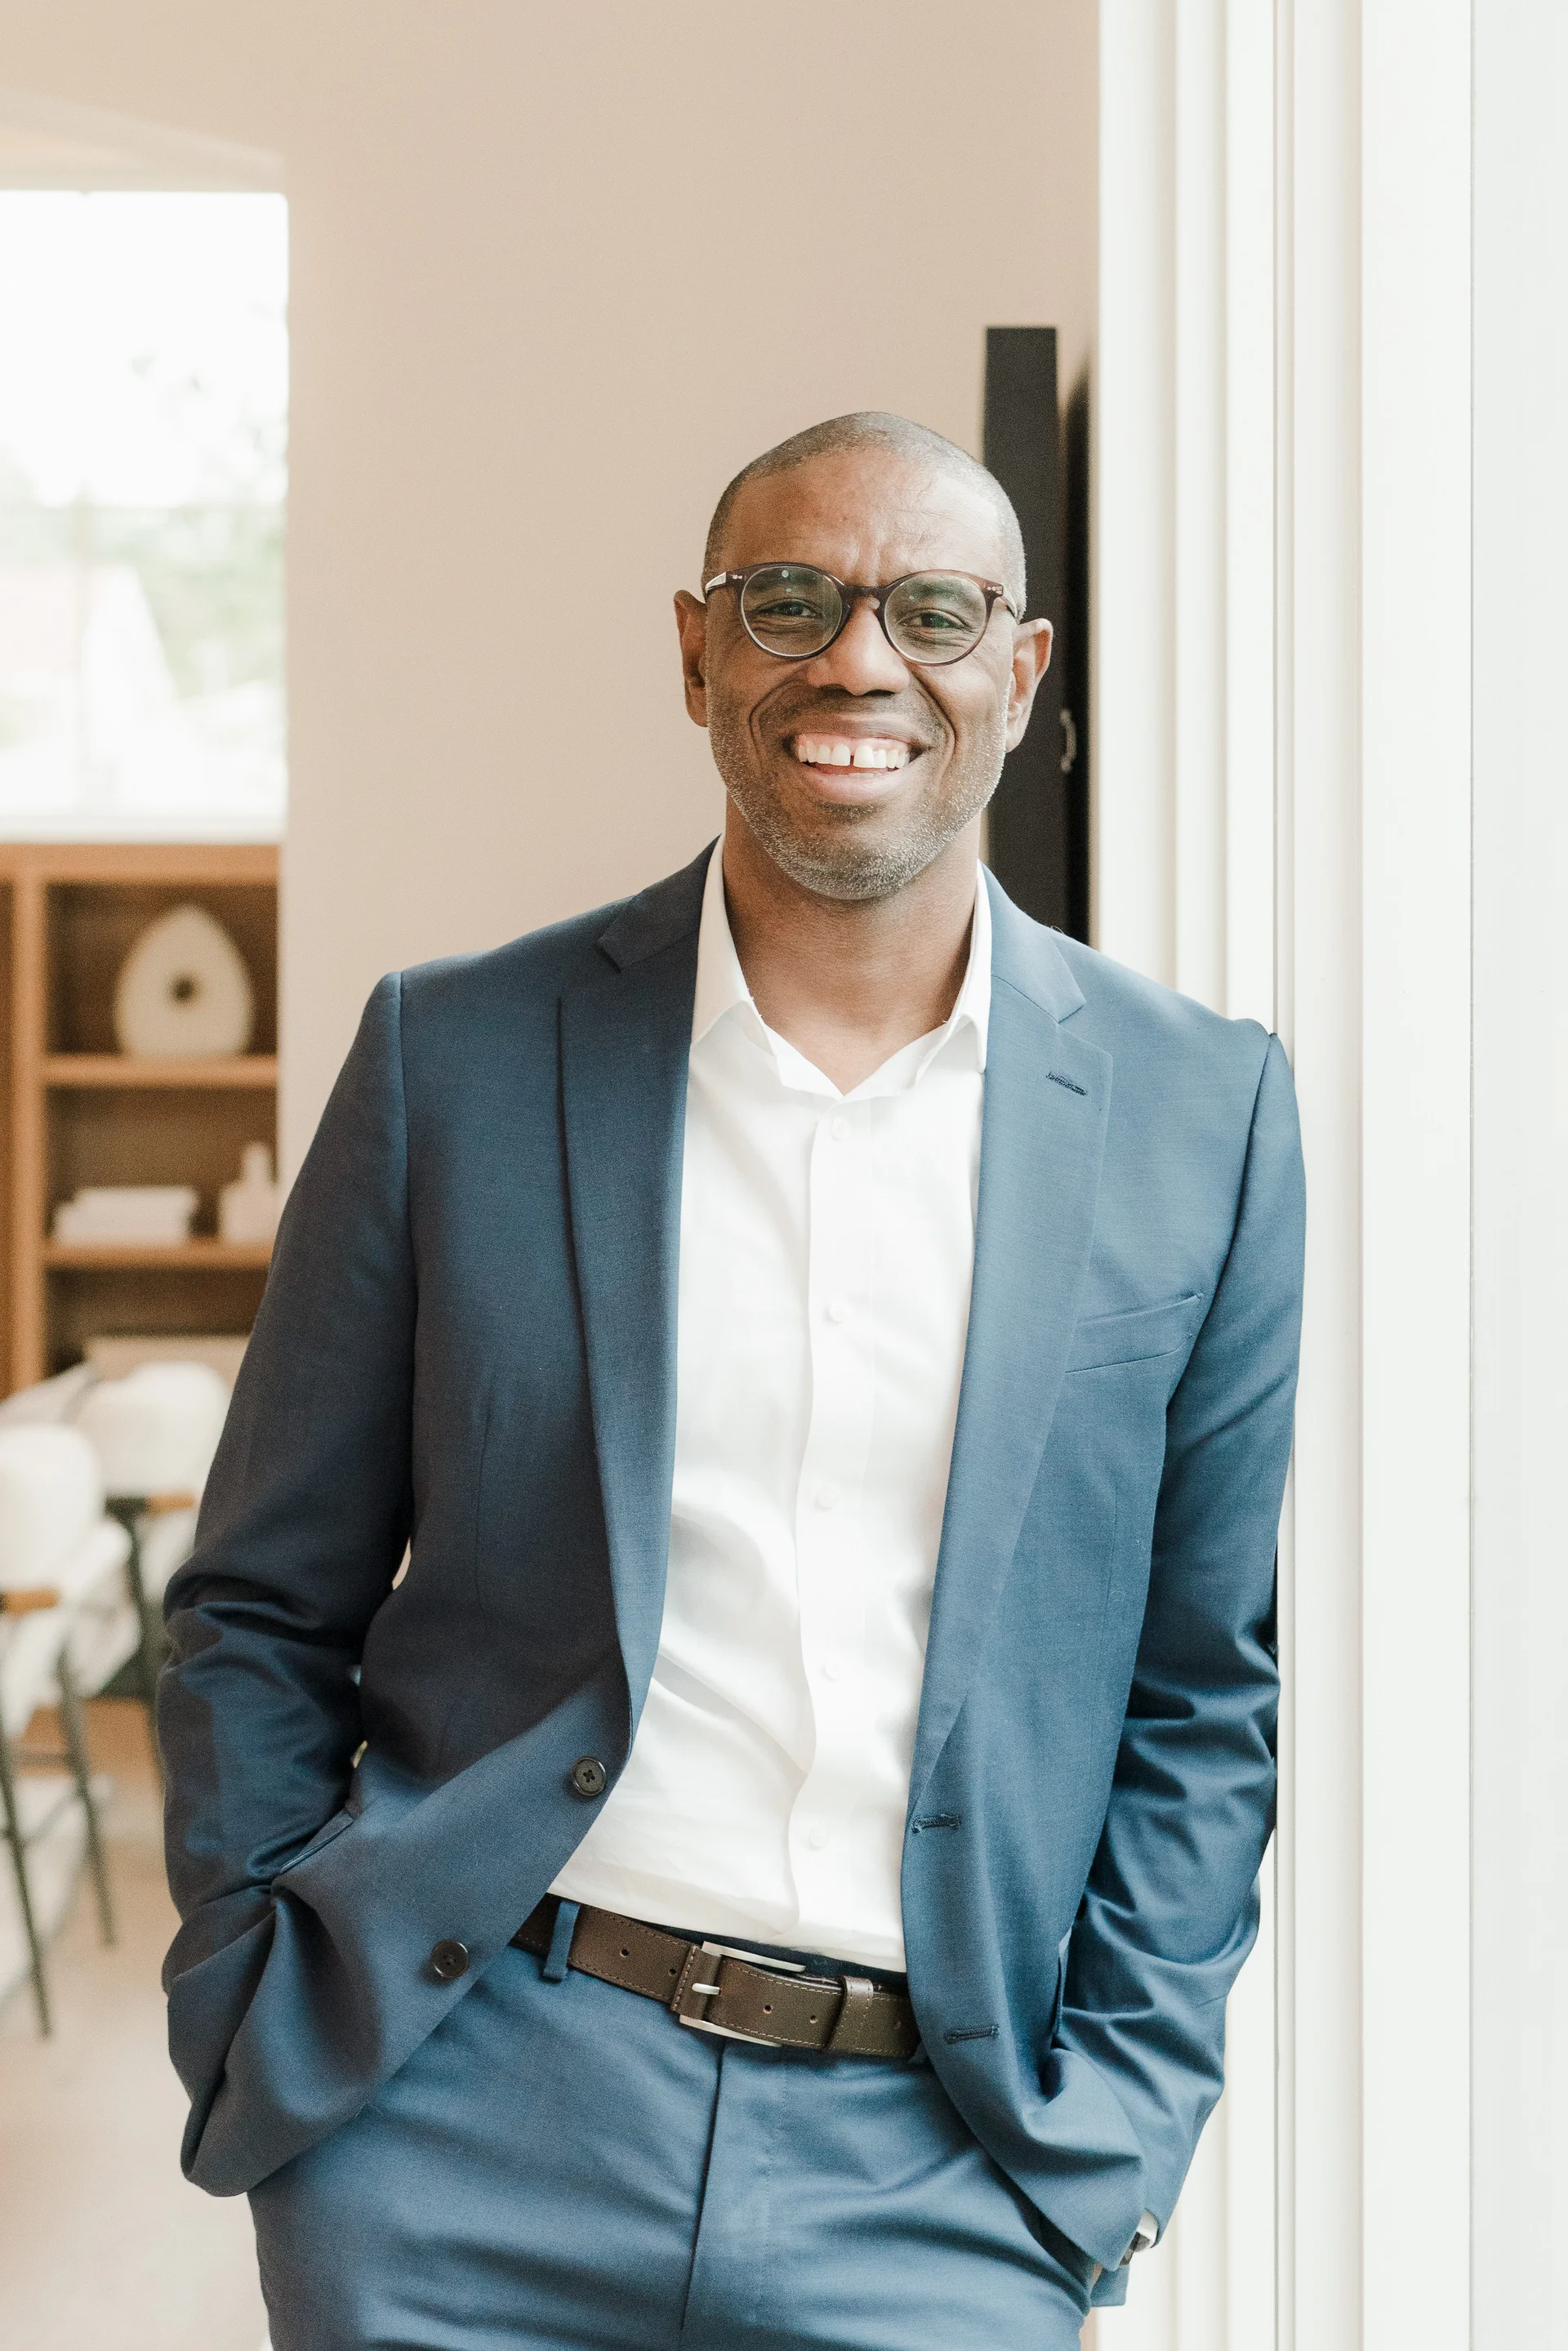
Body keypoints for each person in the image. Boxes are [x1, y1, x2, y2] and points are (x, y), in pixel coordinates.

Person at [160, 411, 1305, 2351]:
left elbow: (1200, 1693)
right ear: (699, 653)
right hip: (463, 2122)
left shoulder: (1206, 1116)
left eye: (934, 610)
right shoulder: (459, 1057)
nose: (859, 658)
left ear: (1019, 676)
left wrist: (1108, 2133)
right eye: (792, 599)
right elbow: (262, 1599)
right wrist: (268, 2006)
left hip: (940, 2168)